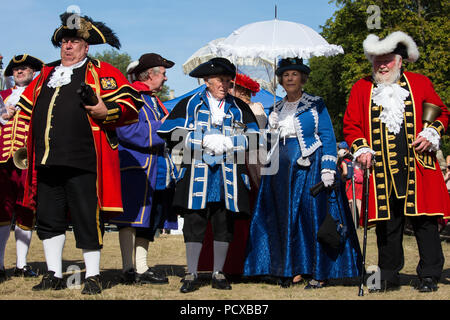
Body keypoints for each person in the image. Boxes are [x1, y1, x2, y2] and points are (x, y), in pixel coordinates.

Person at [15, 12, 141, 294]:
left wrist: (104, 111)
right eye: (64, 42)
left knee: (87, 217)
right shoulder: (45, 74)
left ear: (86, 46)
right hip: (46, 160)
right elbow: (24, 112)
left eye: (74, 41)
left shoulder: (103, 71)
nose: (67, 46)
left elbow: (129, 106)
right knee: (49, 218)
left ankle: (93, 275)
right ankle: (53, 274)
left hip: (84, 160)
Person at [343, 31, 450, 293]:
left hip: (418, 167)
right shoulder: (361, 87)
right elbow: (351, 125)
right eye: (377, 59)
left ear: (399, 60)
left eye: (388, 59)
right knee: (387, 225)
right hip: (381, 171)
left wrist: (431, 132)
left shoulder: (420, 82)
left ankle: (429, 274)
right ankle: (388, 275)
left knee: (424, 222)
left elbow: (442, 112)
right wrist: (362, 148)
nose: (382, 64)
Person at [243, 57, 361, 289]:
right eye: (285, 75)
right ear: (280, 80)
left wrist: (328, 167)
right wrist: (268, 125)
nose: (289, 78)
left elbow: (327, 135)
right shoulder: (275, 108)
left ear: (303, 78)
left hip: (310, 167)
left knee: (310, 218)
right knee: (285, 218)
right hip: (280, 170)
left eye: (294, 74)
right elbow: (269, 142)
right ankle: (292, 269)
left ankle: (320, 271)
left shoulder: (316, 103)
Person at [157, 57, 259, 293]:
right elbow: (169, 133)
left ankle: (218, 272)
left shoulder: (239, 107)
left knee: (224, 222)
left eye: (227, 80)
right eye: (219, 80)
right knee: (194, 222)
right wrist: (200, 140)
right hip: (196, 174)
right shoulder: (189, 103)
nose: (224, 85)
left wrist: (230, 141)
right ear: (207, 81)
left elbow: (257, 138)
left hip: (228, 176)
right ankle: (191, 272)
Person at [109, 53, 177, 285]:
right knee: (131, 218)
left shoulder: (155, 100)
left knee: (149, 219)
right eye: (163, 73)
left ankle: (141, 266)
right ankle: (128, 268)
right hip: (136, 166)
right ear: (150, 75)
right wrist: (166, 129)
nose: (166, 79)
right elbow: (126, 130)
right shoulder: (131, 96)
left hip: (158, 169)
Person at [0, 54, 43, 282]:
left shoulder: (39, 96)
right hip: (2, 161)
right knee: (2, 212)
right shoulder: (2, 96)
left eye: (24, 68)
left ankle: (22, 264)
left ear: (32, 72)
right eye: (16, 69)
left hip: (28, 161)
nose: (19, 71)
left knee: (26, 209)